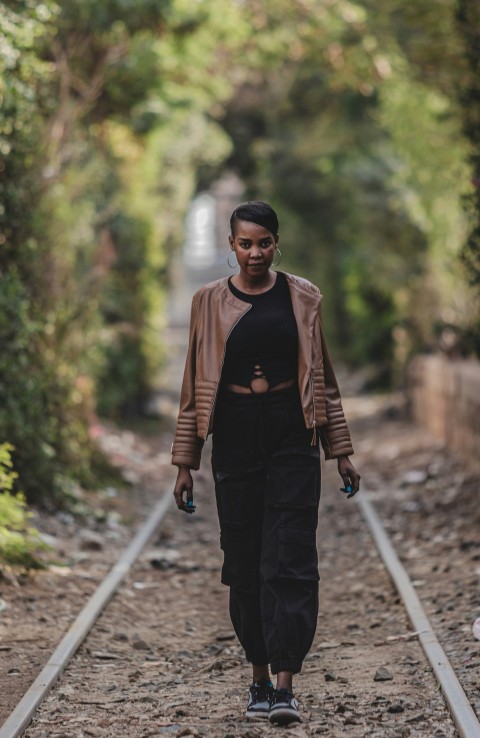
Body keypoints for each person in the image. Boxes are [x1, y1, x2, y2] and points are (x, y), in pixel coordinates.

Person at [172, 201, 360, 725]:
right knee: (245, 563)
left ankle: (284, 685)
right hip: (234, 438)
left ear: (277, 243)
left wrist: (339, 451)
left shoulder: (303, 297)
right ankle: (256, 677)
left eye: (264, 242)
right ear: (232, 247)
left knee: (291, 559)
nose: (255, 252)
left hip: (291, 435)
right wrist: (185, 461)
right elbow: (192, 385)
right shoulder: (207, 302)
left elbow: (323, 379)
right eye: (245, 243)